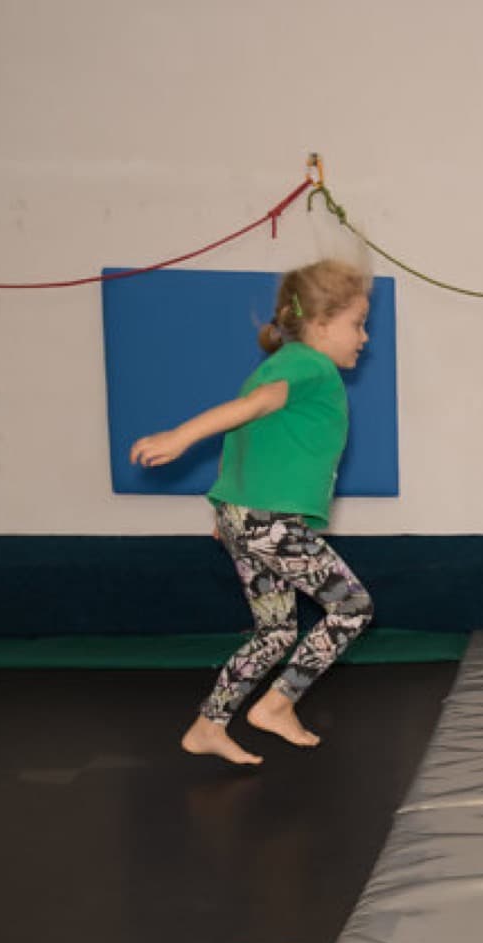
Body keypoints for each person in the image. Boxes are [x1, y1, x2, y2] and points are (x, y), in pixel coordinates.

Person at [130, 259, 375, 764]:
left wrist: (225, 513)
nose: (364, 337)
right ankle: (279, 704)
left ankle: (208, 724)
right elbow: (253, 408)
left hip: (246, 518)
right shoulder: (310, 364)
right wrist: (181, 436)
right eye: (356, 324)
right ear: (322, 324)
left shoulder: (278, 363)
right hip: (268, 523)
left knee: (277, 631)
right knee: (352, 608)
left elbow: (246, 435)